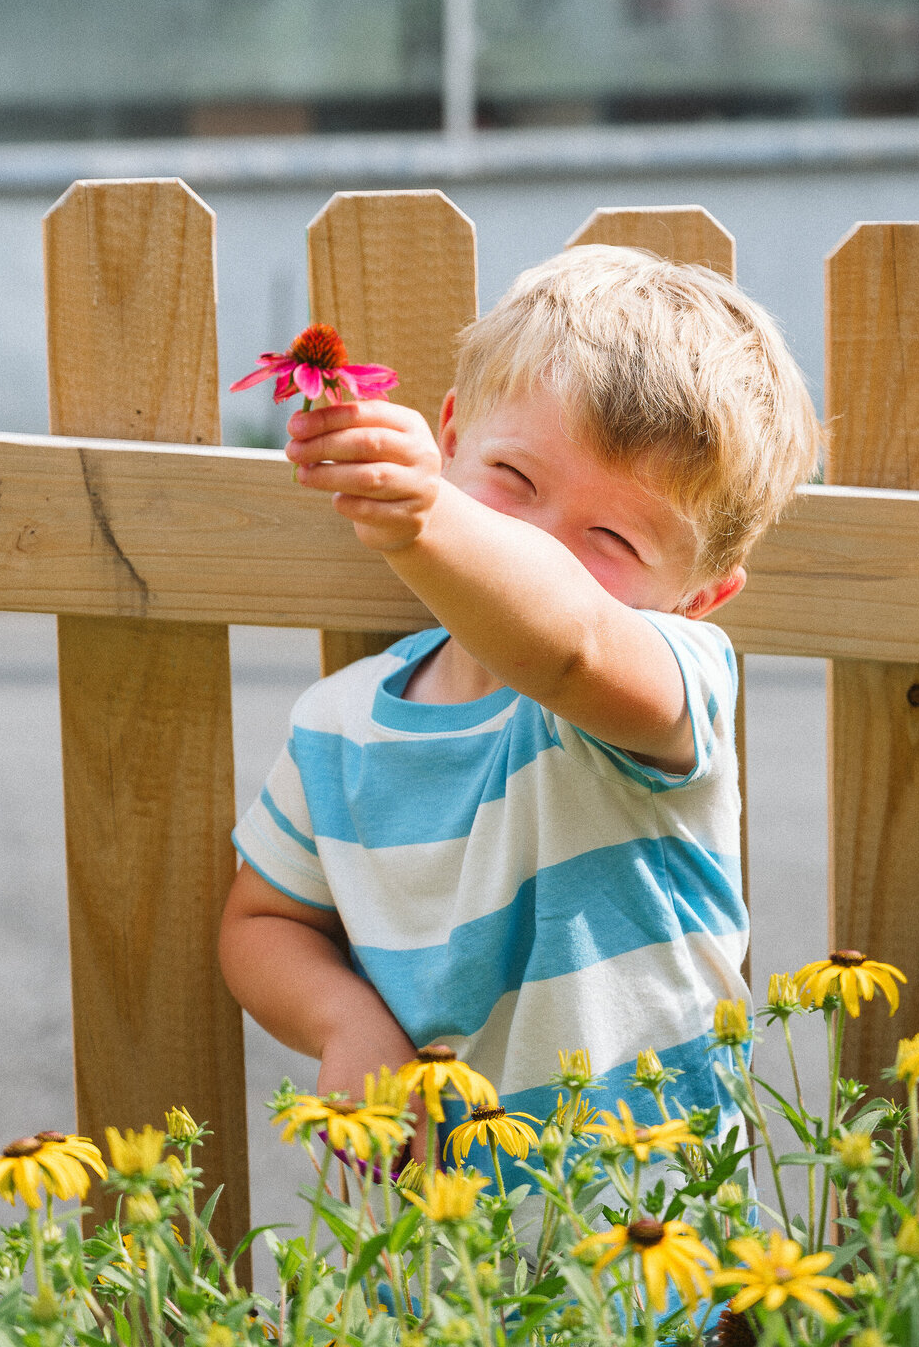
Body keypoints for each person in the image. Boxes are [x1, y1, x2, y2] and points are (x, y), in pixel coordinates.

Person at [219, 244, 819, 1169]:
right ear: (451, 435)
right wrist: (345, 1022)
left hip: (654, 1255)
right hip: (428, 1264)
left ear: (700, 597)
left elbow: (569, 642)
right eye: (516, 481)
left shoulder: (669, 683)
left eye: (612, 535)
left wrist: (429, 517)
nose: (534, 539)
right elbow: (264, 923)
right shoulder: (336, 728)